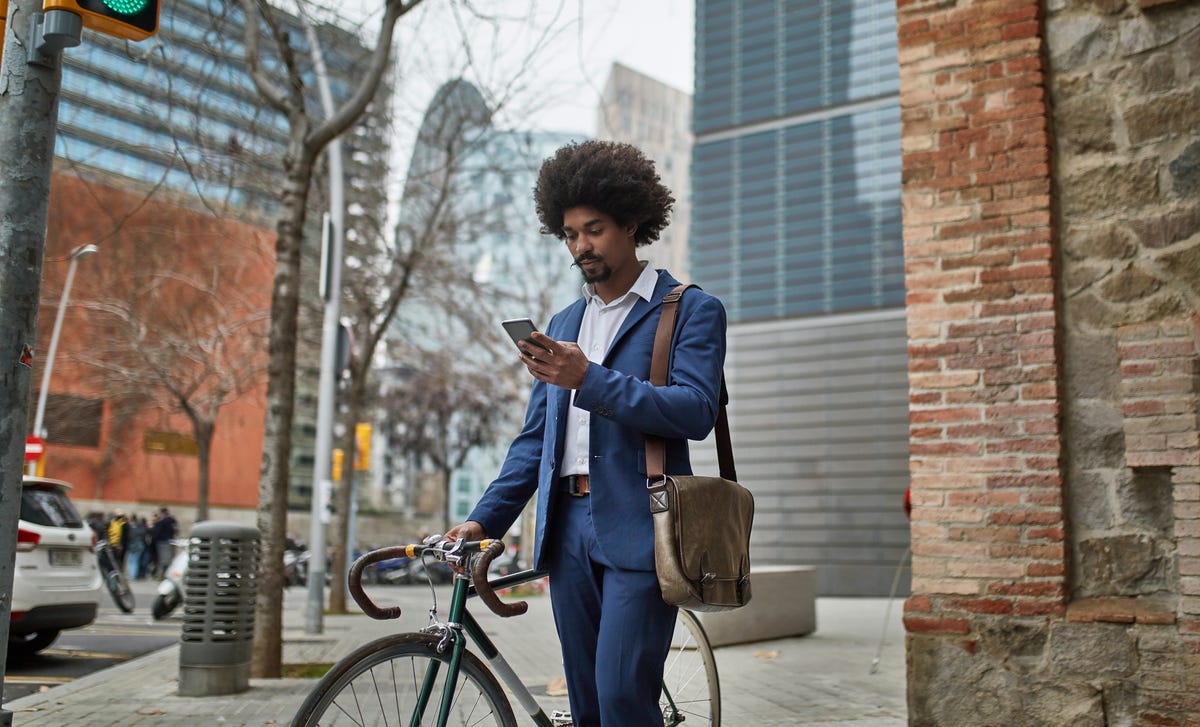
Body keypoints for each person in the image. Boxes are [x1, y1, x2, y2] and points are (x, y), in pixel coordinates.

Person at [446, 140, 727, 726]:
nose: (581, 247)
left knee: (623, 694)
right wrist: (484, 519)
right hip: (565, 531)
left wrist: (589, 379)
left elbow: (694, 410)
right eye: (570, 234)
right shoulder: (563, 324)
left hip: (642, 522)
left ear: (632, 222)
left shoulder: (691, 310)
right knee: (588, 704)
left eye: (594, 230)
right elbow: (535, 441)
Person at [150, 506, 177, 578]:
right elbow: (175, 530)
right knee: (168, 558)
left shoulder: (161, 521)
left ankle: (163, 574)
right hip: (170, 540)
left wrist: (153, 540)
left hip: (161, 542)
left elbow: (157, 532)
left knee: (162, 559)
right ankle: (166, 573)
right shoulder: (172, 520)